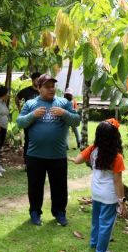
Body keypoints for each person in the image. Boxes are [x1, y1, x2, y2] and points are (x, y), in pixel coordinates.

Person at [16, 74, 80, 226]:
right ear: (39, 88)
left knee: (59, 187)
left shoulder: (63, 102)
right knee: (35, 186)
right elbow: (20, 123)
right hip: (35, 155)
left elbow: (76, 121)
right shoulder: (31, 104)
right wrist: (32, 115)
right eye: (47, 86)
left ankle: (60, 213)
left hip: (57, 155)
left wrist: (64, 113)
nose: (52, 89)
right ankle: (35, 213)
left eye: (53, 86)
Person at [71, 119, 126, 252]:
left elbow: (77, 160)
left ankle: (94, 243)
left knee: (96, 220)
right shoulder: (117, 157)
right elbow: (117, 181)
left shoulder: (93, 150)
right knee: (106, 225)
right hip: (109, 196)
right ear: (115, 137)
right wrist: (122, 201)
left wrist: (72, 159)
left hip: (96, 192)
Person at [16, 72, 42, 159]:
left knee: (39, 139)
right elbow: (17, 98)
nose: (38, 82)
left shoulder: (42, 91)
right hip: (29, 119)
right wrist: (20, 110)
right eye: (37, 80)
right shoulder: (26, 91)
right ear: (33, 80)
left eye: (40, 80)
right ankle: (27, 161)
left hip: (40, 120)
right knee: (28, 140)